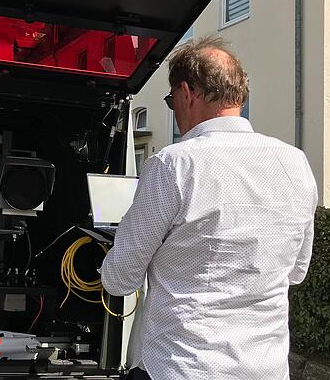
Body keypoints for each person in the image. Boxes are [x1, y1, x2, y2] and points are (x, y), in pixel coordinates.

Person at [100, 36, 318, 380]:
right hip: (266, 369)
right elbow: (296, 272)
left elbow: (119, 279)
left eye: (172, 101)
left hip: (183, 366)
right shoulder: (295, 163)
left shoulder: (173, 164)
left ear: (187, 93)